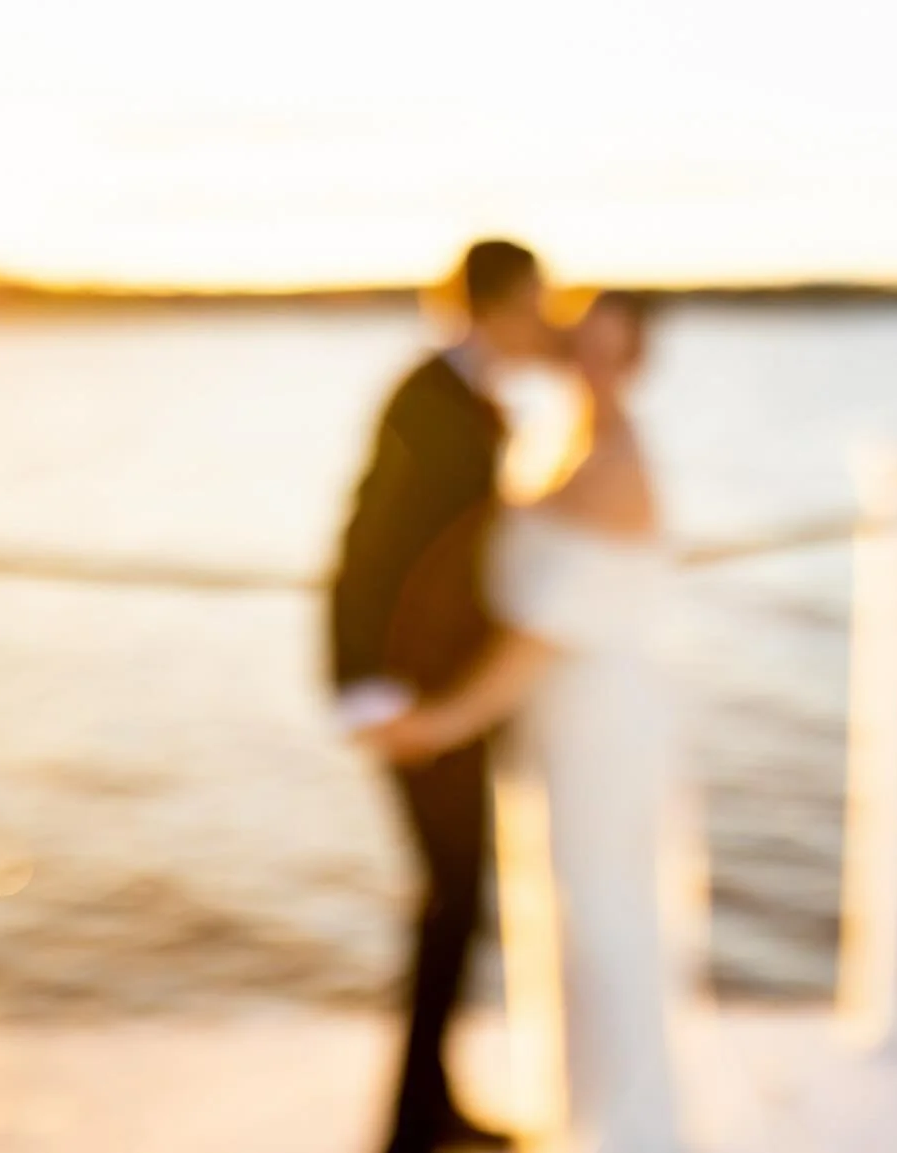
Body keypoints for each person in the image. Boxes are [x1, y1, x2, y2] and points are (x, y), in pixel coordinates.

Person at [365, 292, 688, 1153]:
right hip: (551, 725)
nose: (590, 365)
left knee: (607, 917)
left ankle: (630, 1131)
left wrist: (439, 721)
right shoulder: (552, 440)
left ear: (638, 363)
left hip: (600, 725)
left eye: (611, 353)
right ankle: (575, 1111)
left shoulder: (618, 462)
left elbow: (544, 633)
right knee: (564, 912)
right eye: (580, 345)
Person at [329, 239, 552, 1153]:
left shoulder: (477, 397)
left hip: (455, 690)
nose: (546, 317)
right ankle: (413, 1125)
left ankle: (428, 1108)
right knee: (450, 896)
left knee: (457, 897)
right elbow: (367, 544)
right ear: (497, 304)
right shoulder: (429, 399)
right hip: (415, 696)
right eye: (537, 300)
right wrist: (362, 690)